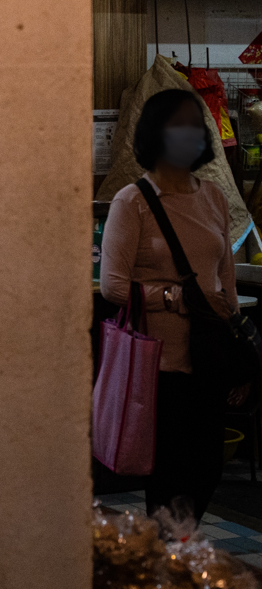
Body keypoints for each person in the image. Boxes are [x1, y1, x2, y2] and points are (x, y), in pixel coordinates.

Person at [100, 88, 249, 523]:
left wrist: (236, 348)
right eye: (178, 125)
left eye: (194, 125)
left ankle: (178, 554)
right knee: (168, 477)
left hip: (207, 358)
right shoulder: (134, 201)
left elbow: (226, 281)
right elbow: (112, 286)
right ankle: (166, 569)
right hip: (158, 367)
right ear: (155, 135)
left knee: (205, 472)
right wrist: (170, 297)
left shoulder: (214, 198)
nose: (190, 134)